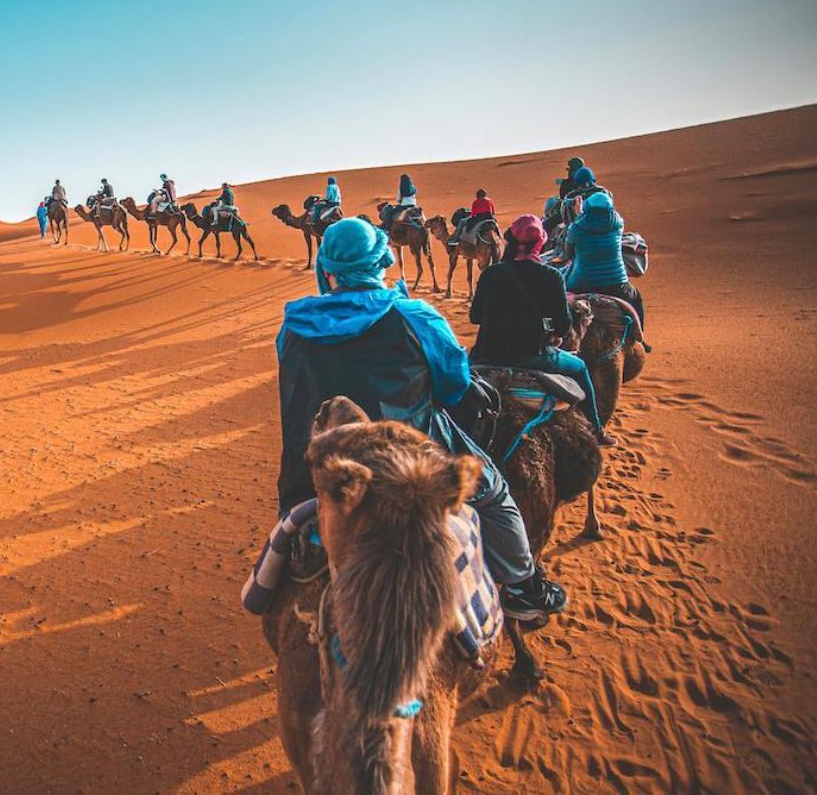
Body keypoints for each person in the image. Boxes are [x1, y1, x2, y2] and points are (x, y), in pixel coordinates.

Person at [276, 217, 568, 621]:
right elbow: (454, 387)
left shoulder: (292, 327)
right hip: (413, 464)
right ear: (383, 261)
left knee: (295, 521)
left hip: (316, 469)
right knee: (495, 493)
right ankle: (522, 588)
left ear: (325, 269)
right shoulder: (416, 317)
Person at [469, 215, 615, 445]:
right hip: (534, 357)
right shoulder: (551, 277)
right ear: (540, 245)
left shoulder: (491, 274)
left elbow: (474, 317)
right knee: (580, 368)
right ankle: (596, 429)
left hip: (486, 355)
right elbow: (563, 326)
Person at [563, 176, 644, 328]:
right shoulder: (617, 223)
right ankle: (639, 335)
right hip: (616, 282)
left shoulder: (576, 228)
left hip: (580, 283)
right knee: (635, 297)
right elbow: (598, 224)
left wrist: (579, 213)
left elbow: (568, 252)